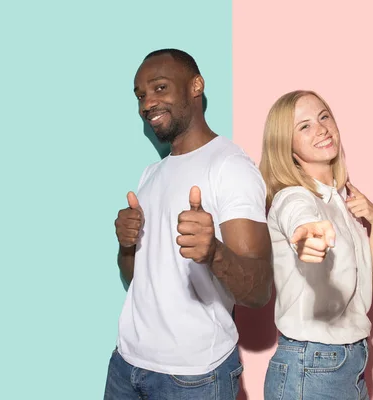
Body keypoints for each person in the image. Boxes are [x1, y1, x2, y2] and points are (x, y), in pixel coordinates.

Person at [104, 48, 273, 400]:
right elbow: (138, 278)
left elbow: (259, 291)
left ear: (196, 86)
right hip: (126, 365)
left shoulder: (230, 167)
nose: (147, 103)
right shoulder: (151, 173)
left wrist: (213, 252)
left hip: (193, 377)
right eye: (140, 95)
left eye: (160, 88)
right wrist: (126, 244)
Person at [259, 90, 373, 400]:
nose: (321, 129)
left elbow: (365, 290)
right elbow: (299, 219)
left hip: (349, 363)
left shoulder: (341, 203)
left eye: (323, 116)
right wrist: (305, 235)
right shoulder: (294, 197)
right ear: (284, 146)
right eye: (304, 126)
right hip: (312, 364)